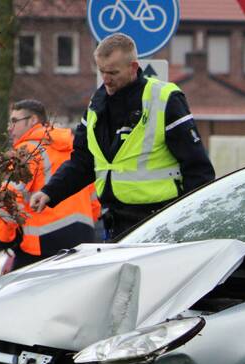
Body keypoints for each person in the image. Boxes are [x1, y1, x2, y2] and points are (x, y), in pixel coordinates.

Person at [29, 33, 215, 239]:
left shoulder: (164, 99)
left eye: (113, 72)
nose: (106, 79)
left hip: (161, 219)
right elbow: (83, 162)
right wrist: (49, 192)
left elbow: (197, 168)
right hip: (115, 220)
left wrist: (190, 220)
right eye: (101, 71)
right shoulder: (96, 105)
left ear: (133, 68)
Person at [0, 99, 98, 270]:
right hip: (83, 238)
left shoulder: (26, 152)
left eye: (14, 121)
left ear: (33, 120)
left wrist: (4, 238)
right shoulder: (73, 150)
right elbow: (93, 200)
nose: (9, 128)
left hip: (42, 246)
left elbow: (9, 199)